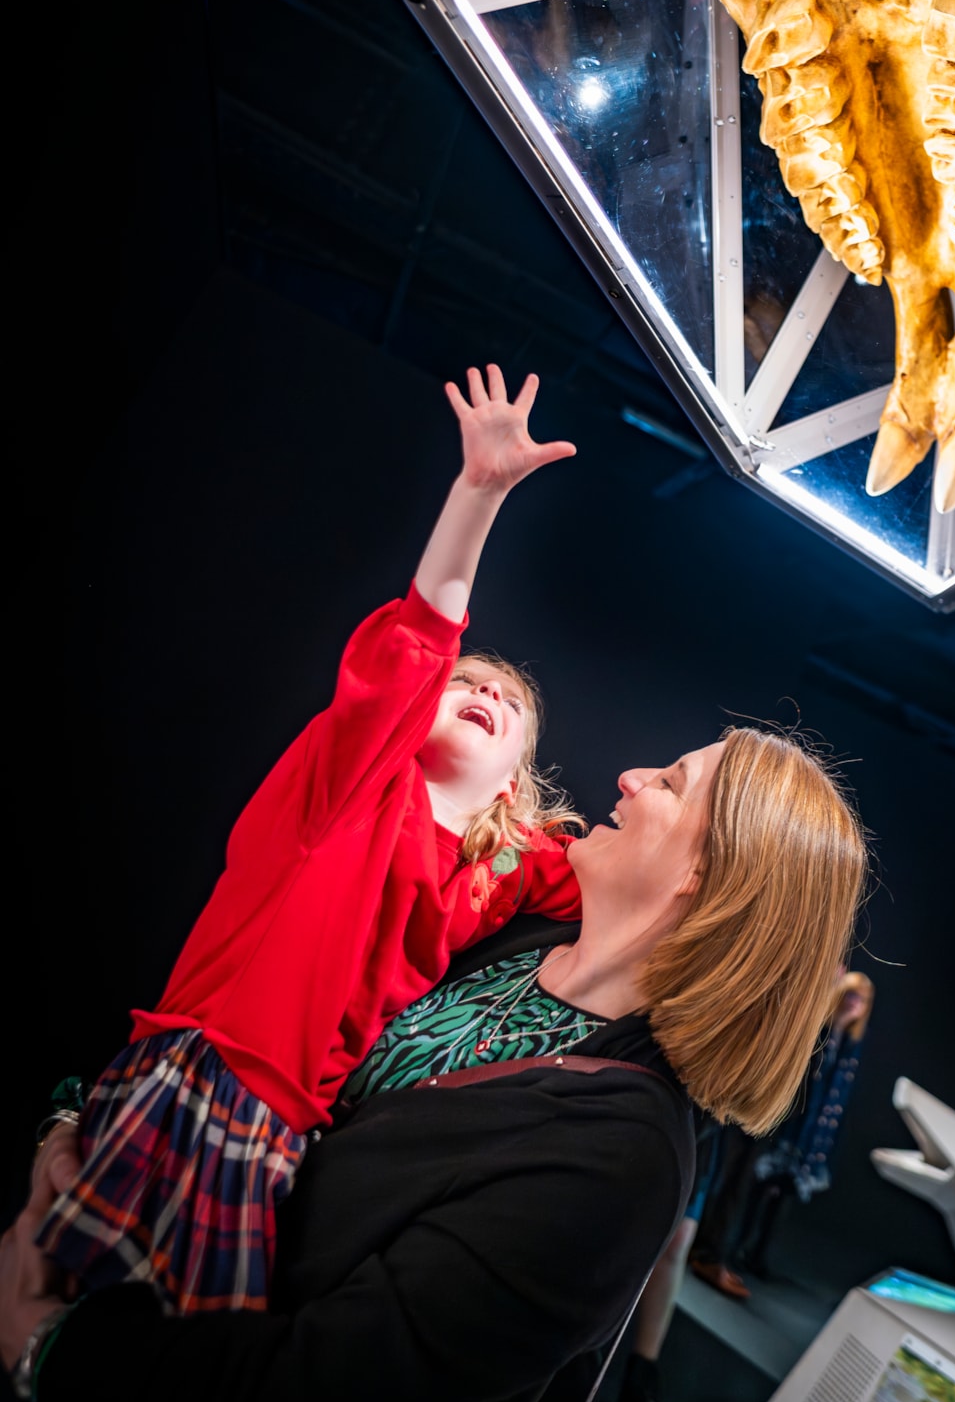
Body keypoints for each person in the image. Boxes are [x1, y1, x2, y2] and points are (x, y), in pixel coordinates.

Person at [2, 713, 869, 1402]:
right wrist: (87, 1120)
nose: (631, 777)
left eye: (673, 785)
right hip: (137, 1346)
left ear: (706, 877)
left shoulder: (621, 1161)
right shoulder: (521, 931)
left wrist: (51, 1348)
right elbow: (264, 1003)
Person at [33, 364, 583, 1318]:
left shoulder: (503, 870)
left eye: (510, 705)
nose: (487, 693)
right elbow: (424, 632)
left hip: (289, 1141)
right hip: (197, 1080)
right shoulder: (358, 781)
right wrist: (477, 494)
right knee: (66, 1336)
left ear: (518, 780)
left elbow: (613, 891)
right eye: (469, 686)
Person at [610, 970, 873, 1402]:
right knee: (635, 1228)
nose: (853, 1002)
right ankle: (605, 1365)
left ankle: (637, 1376)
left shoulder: (827, 1027)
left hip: (709, 1115)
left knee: (676, 1244)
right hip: (672, 1083)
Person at [689, 969, 875, 1297]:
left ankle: (716, 1254)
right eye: (848, 994)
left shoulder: (846, 1046)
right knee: (725, 1177)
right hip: (759, 1103)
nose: (853, 1003)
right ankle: (705, 1253)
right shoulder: (816, 1022)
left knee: (740, 1185)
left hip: (779, 1117)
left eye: (860, 999)